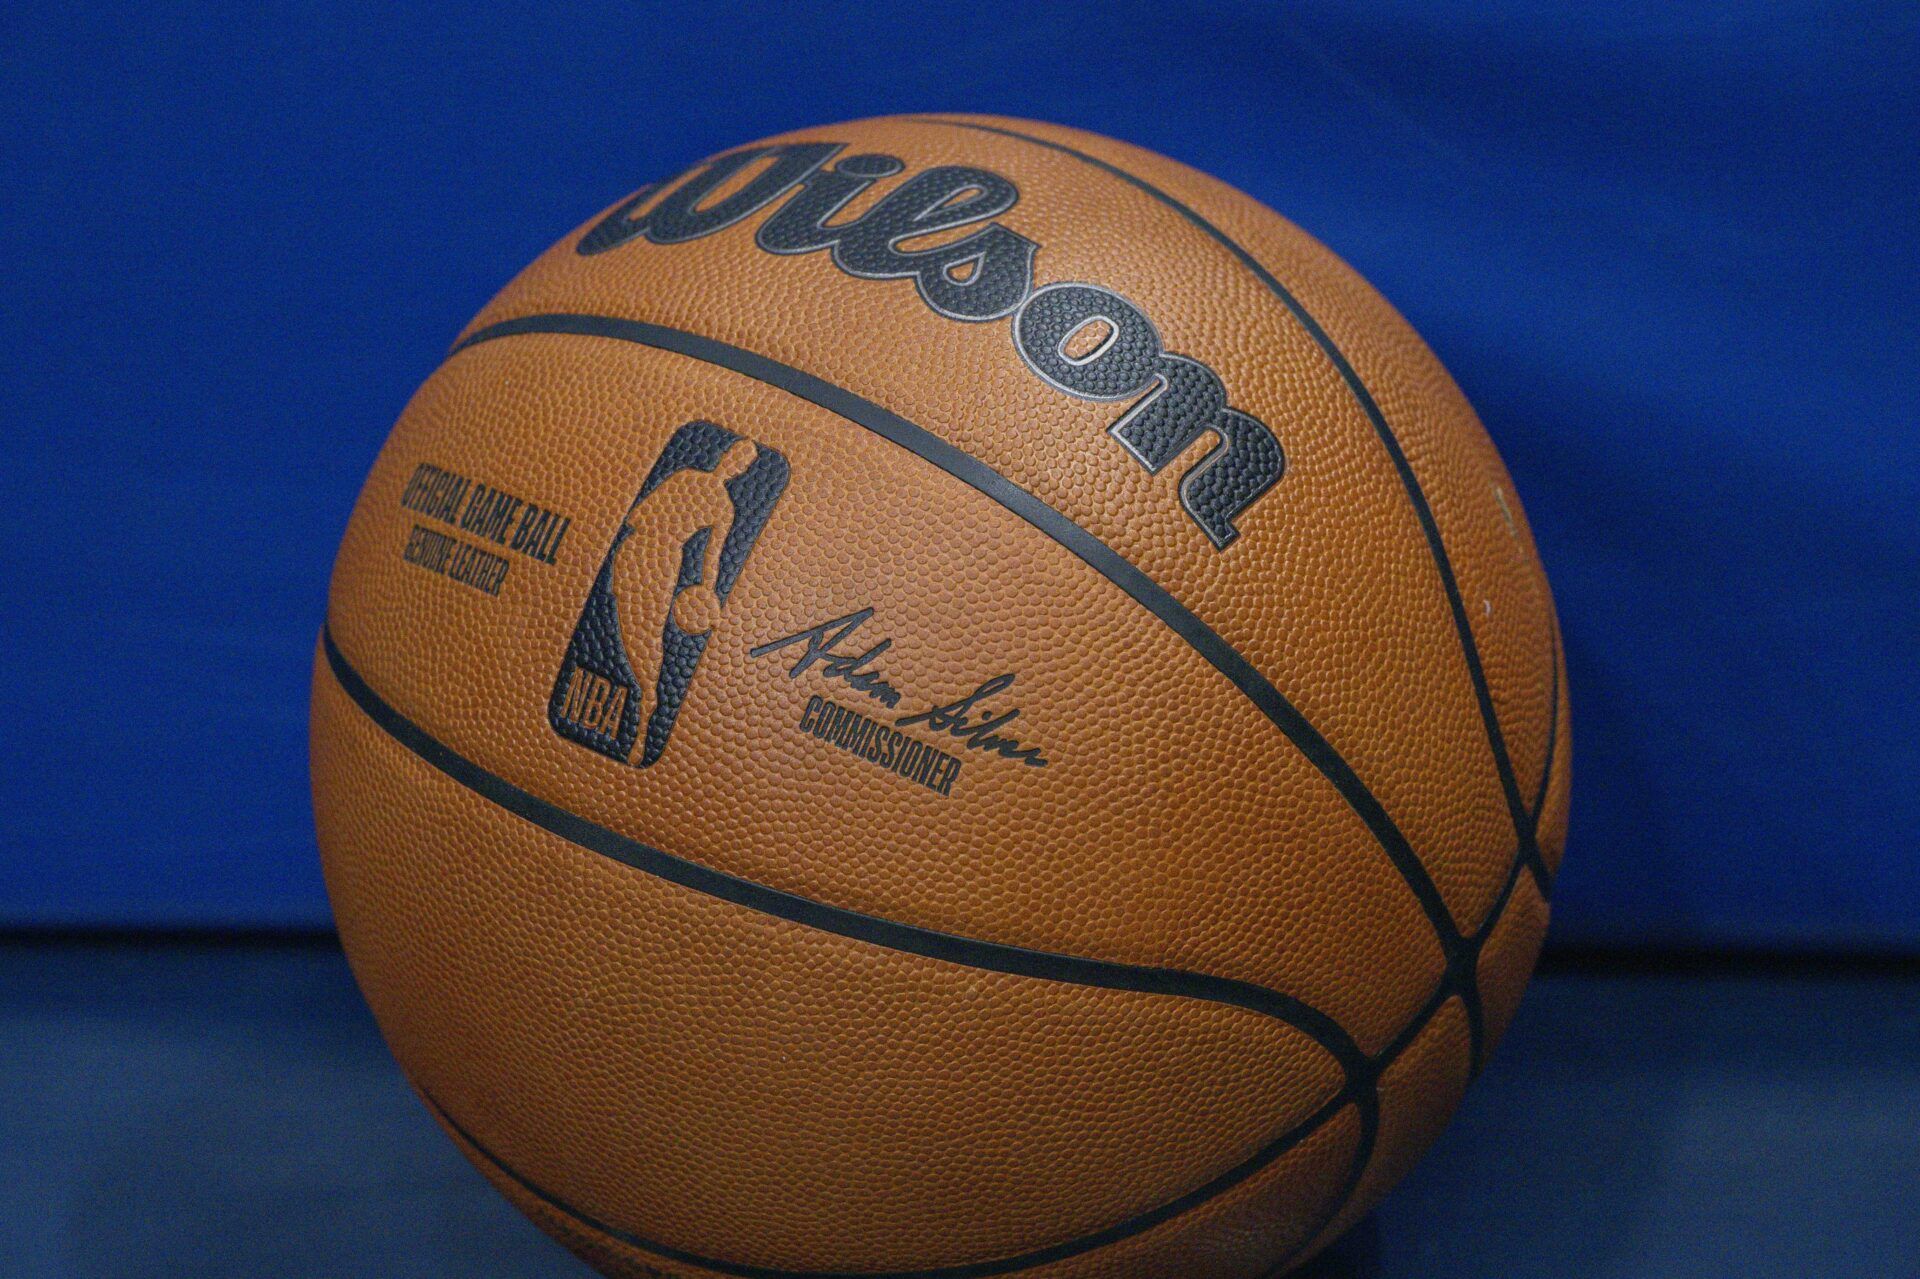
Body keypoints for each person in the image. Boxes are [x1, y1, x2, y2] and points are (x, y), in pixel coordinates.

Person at [608, 440, 758, 748]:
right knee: (632, 629)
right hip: (640, 550)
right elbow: (638, 516)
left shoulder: (723, 507)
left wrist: (708, 593)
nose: (734, 462)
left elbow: (711, 557)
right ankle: (643, 701)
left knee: (647, 637)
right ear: (725, 453)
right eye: (735, 454)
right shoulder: (688, 477)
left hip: (660, 557)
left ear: (742, 470)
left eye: (741, 462)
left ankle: (645, 708)